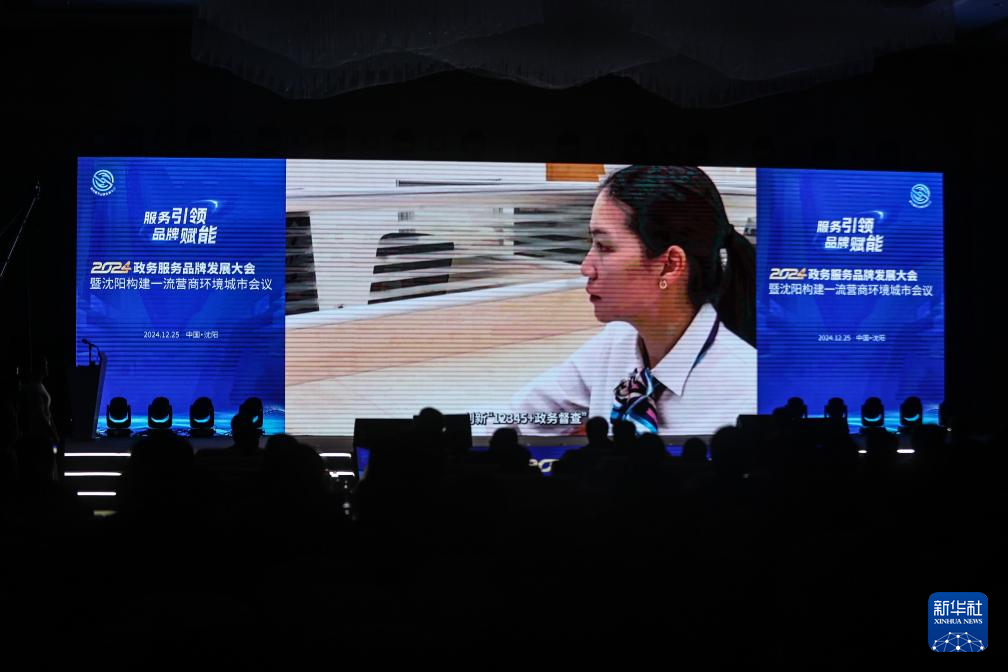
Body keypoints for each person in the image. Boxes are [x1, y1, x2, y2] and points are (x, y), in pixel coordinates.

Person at [511, 165, 756, 436]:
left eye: (604, 247)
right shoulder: (617, 342)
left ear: (670, 265)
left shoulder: (750, 395)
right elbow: (518, 419)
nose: (586, 267)